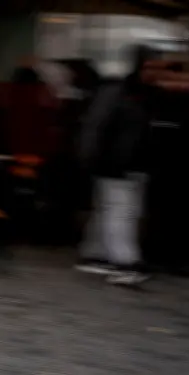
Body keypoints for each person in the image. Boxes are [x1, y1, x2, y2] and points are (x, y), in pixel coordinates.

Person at [75, 45, 153, 285]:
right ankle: (125, 262)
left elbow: (94, 129)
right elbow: (99, 131)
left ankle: (95, 255)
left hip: (121, 164)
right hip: (120, 164)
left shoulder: (119, 93)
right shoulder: (127, 95)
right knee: (120, 213)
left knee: (108, 210)